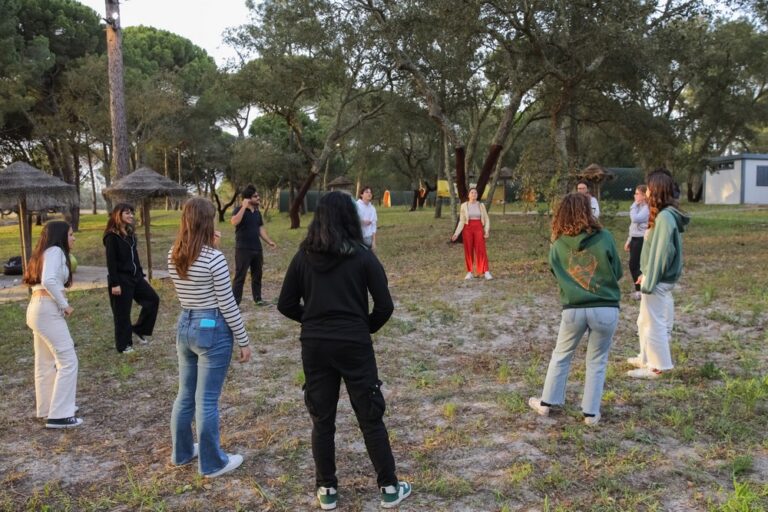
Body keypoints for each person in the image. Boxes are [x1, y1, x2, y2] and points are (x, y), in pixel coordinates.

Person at [277, 191, 411, 510]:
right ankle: (389, 488)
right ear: (350, 217)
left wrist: (312, 322)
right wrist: (363, 328)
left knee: (322, 420)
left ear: (318, 217)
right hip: (354, 346)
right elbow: (385, 306)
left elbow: (285, 304)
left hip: (315, 347)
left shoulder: (302, 256)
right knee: (370, 417)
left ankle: (327, 490)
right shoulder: (363, 256)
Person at [168, 197, 252, 478]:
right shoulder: (214, 258)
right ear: (207, 222)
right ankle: (213, 462)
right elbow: (227, 303)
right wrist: (243, 339)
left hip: (185, 323)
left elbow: (193, 276)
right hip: (211, 326)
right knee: (207, 400)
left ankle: (181, 453)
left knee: (185, 395)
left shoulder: (174, 254)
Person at [528, 193, 622, 426]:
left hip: (573, 309)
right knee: (597, 360)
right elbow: (618, 271)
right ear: (588, 211)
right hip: (605, 308)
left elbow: (555, 273)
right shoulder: (605, 237)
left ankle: (547, 403)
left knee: (561, 355)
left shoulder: (558, 244)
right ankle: (590, 413)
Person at [627, 170, 689, 379]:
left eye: (650, 188)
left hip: (658, 281)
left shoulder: (664, 218)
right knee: (644, 320)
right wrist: (645, 274)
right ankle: (645, 357)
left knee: (654, 324)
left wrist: (649, 280)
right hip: (654, 278)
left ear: (657, 190)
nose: (647, 192)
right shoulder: (665, 215)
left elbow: (662, 254)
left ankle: (658, 366)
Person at [23, 220, 82, 429]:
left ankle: (48, 408)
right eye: (71, 234)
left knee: (45, 362)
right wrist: (64, 304)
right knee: (68, 360)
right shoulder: (56, 250)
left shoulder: (44, 252)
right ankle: (60, 415)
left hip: (37, 308)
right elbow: (49, 280)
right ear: (60, 236)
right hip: (46, 309)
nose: (73, 238)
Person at [104, 203, 160, 354]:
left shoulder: (130, 233)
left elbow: (134, 257)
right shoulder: (111, 236)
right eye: (127, 213)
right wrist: (115, 283)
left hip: (136, 278)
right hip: (121, 281)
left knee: (153, 299)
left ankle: (139, 329)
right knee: (122, 314)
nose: (131, 216)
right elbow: (111, 262)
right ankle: (124, 345)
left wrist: (141, 275)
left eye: (131, 213)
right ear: (118, 215)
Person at [231, 184, 277, 306]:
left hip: (257, 248)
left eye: (258, 195)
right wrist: (243, 207)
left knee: (257, 274)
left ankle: (258, 299)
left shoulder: (257, 212)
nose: (258, 198)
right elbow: (234, 222)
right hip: (243, 248)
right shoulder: (238, 210)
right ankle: (235, 303)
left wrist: (269, 241)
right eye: (255, 196)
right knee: (240, 276)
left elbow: (260, 229)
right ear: (248, 198)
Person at [451, 187, 492, 280]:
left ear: (477, 195)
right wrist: (456, 233)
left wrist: (486, 230)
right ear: (469, 195)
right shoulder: (464, 206)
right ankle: (469, 272)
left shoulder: (481, 205)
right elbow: (462, 221)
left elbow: (486, 219)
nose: (474, 194)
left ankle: (486, 272)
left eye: (475, 193)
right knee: (468, 250)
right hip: (467, 229)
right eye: (472, 193)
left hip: (478, 228)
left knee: (481, 250)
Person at [624, 185, 649, 300]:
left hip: (641, 239)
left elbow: (635, 219)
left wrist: (634, 205)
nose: (635, 196)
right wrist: (629, 240)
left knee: (636, 265)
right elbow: (632, 225)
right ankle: (639, 289)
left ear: (644, 196)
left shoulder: (646, 208)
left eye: (637, 193)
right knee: (634, 265)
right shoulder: (639, 206)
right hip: (634, 239)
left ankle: (641, 290)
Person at [356, 186, 378, 250]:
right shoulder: (356, 206)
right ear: (361, 194)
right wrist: (362, 222)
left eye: (370, 192)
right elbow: (351, 221)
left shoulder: (372, 208)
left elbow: (374, 226)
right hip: (358, 238)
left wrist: (373, 242)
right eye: (366, 192)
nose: (369, 194)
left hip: (369, 239)